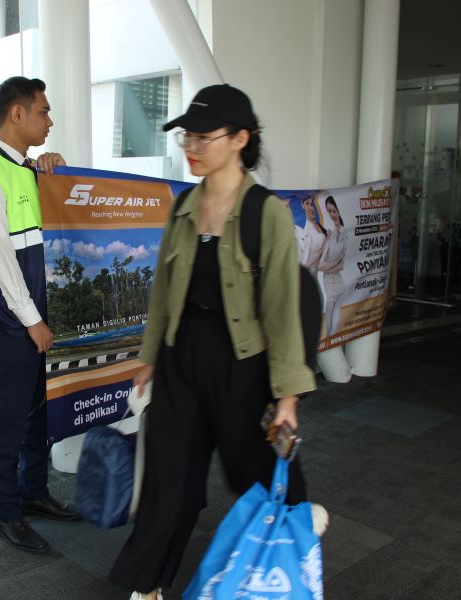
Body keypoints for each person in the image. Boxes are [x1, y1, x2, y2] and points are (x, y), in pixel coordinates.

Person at [109, 84, 316, 600]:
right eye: (187, 136)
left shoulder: (265, 212)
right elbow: (163, 292)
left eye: (203, 136)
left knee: (255, 474)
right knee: (168, 478)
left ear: (241, 138)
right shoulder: (183, 205)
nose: (191, 146)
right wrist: (150, 358)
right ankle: (148, 584)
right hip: (182, 357)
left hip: (243, 363)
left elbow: (284, 311)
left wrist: (287, 396)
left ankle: (288, 551)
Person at [0, 75, 80, 555]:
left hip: (36, 321)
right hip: (10, 324)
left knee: (37, 415)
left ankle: (33, 494)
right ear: (17, 114)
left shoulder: (30, 171)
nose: (49, 120)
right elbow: (1, 262)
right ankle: (6, 513)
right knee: (8, 419)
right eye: (43, 111)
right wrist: (33, 321)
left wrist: (57, 169)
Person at [317, 195, 348, 336]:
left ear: (339, 211)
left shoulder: (344, 232)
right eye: (329, 211)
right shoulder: (328, 233)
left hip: (339, 280)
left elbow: (342, 265)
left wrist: (332, 265)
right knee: (328, 315)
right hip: (327, 280)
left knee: (336, 314)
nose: (332, 214)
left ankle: (333, 343)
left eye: (334, 211)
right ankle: (330, 343)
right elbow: (320, 265)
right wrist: (335, 263)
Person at [294, 195, 327, 274]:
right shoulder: (303, 232)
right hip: (311, 274)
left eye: (312, 204)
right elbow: (304, 263)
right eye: (307, 203)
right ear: (302, 206)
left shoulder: (322, 227)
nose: (310, 207)